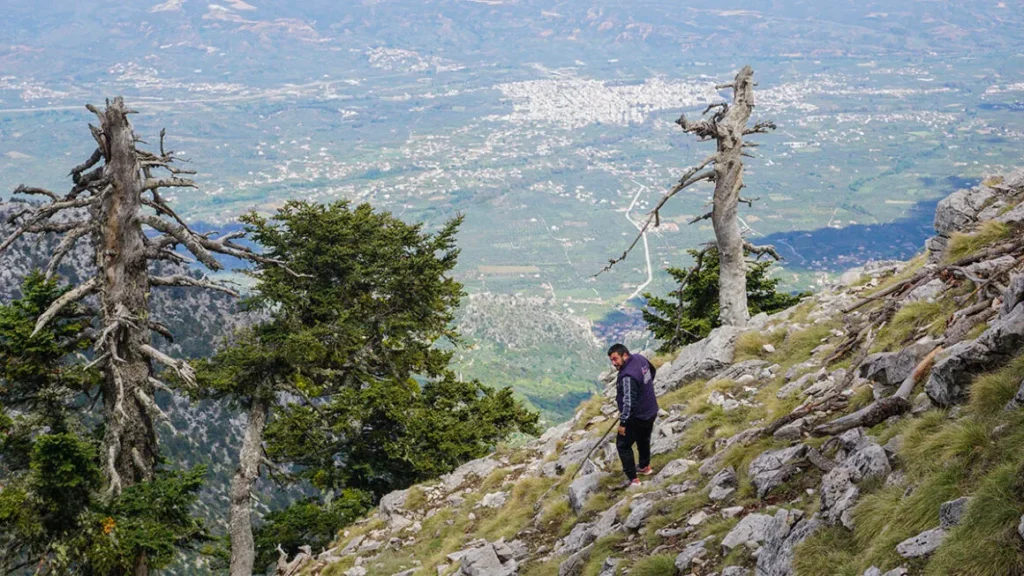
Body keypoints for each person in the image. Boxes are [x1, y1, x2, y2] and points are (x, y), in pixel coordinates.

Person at [608, 343, 659, 488]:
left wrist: (623, 424)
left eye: (615, 359)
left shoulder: (627, 376)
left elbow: (628, 403)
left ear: (624, 355)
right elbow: (652, 371)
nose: (614, 363)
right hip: (651, 410)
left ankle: (633, 479)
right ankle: (645, 467)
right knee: (643, 438)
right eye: (611, 360)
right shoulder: (639, 358)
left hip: (638, 416)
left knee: (623, 445)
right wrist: (645, 389)